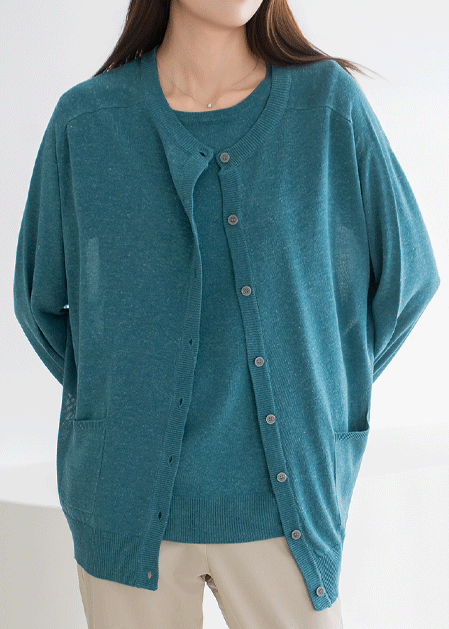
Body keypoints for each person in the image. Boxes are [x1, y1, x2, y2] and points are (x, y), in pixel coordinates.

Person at [13, 1, 440, 628]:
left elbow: (408, 279)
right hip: (125, 509)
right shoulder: (88, 121)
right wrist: (122, 401)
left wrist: (315, 395)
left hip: (286, 509)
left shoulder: (326, 106)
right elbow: (41, 302)